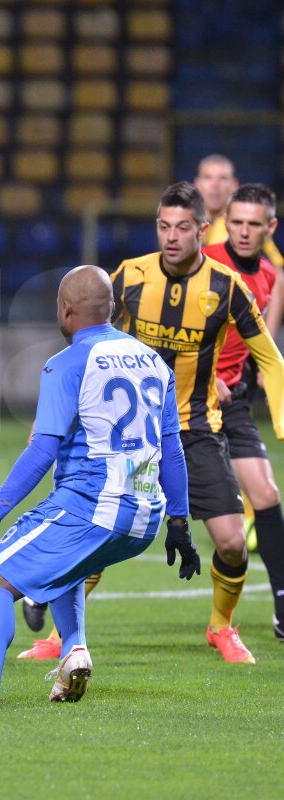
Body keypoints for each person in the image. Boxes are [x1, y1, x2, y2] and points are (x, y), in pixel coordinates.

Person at [16, 181, 284, 664]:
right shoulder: (130, 276)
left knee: (231, 543)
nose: (172, 237)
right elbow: (88, 346)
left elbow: (269, 356)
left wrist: (281, 421)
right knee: (97, 532)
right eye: (164, 226)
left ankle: (221, 627)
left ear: (204, 229)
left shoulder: (227, 287)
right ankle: (61, 639)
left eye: (183, 227)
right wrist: (55, 416)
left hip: (197, 429)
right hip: (131, 431)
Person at [0, 266, 200, 710]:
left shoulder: (65, 364)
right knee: (64, 564)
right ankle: (74, 651)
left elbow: (40, 451)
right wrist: (180, 522)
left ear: (66, 310)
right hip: (146, 516)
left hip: (93, 505)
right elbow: (173, 447)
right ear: (111, 308)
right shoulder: (152, 361)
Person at [202, 184, 284, 639]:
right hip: (182, 399)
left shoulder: (271, 276)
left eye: (255, 224)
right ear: (225, 222)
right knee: (128, 508)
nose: (245, 232)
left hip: (231, 403)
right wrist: (203, 376)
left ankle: (282, 604)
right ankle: (40, 588)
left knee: (267, 495)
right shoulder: (203, 261)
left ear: (270, 227)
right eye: (237, 223)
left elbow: (262, 348)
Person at [195, 154, 283, 272]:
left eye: (223, 178)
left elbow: (277, 274)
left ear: (234, 185)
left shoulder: (252, 228)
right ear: (197, 184)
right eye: (208, 177)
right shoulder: (184, 226)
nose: (215, 185)